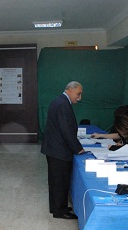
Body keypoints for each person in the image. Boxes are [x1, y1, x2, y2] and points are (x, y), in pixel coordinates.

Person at [41, 81, 85, 219]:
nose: (79, 97)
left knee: (55, 180)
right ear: (70, 90)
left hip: (54, 148)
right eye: (78, 94)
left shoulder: (59, 101)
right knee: (60, 181)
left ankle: (56, 207)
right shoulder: (63, 104)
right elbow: (66, 130)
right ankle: (60, 211)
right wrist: (78, 148)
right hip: (58, 150)